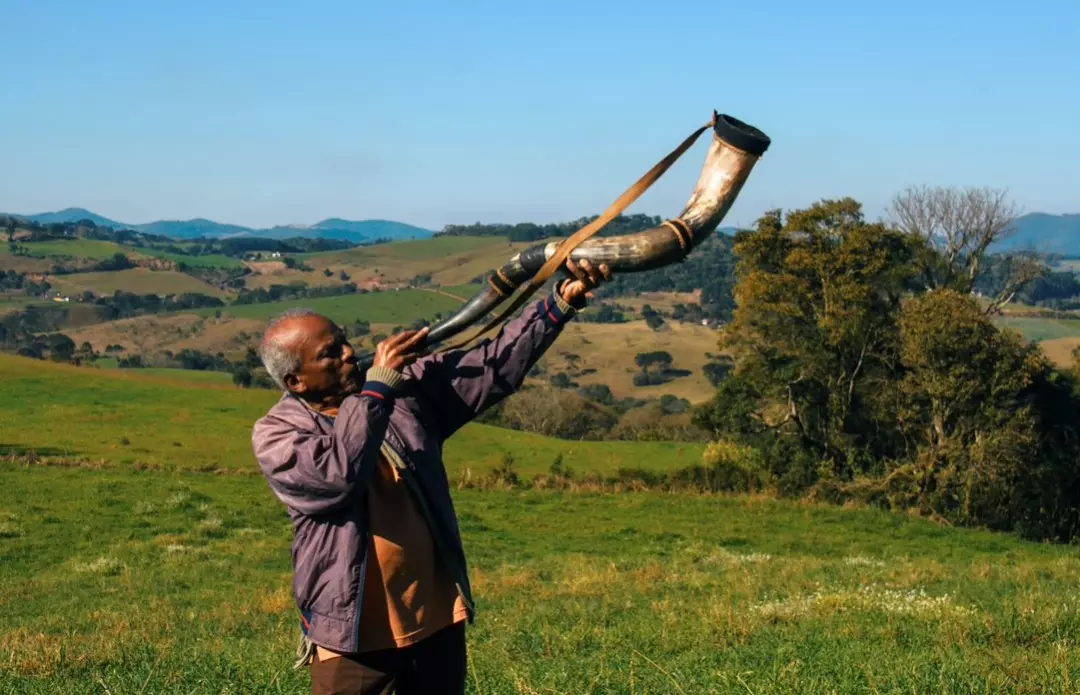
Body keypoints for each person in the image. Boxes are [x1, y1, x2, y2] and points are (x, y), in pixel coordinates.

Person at [251, 259, 612, 695]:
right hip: (354, 643)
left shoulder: (401, 393)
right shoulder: (278, 434)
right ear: (296, 380)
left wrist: (557, 306)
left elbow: (491, 368)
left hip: (436, 623)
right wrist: (379, 387)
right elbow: (340, 475)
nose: (348, 353)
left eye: (343, 342)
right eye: (329, 353)